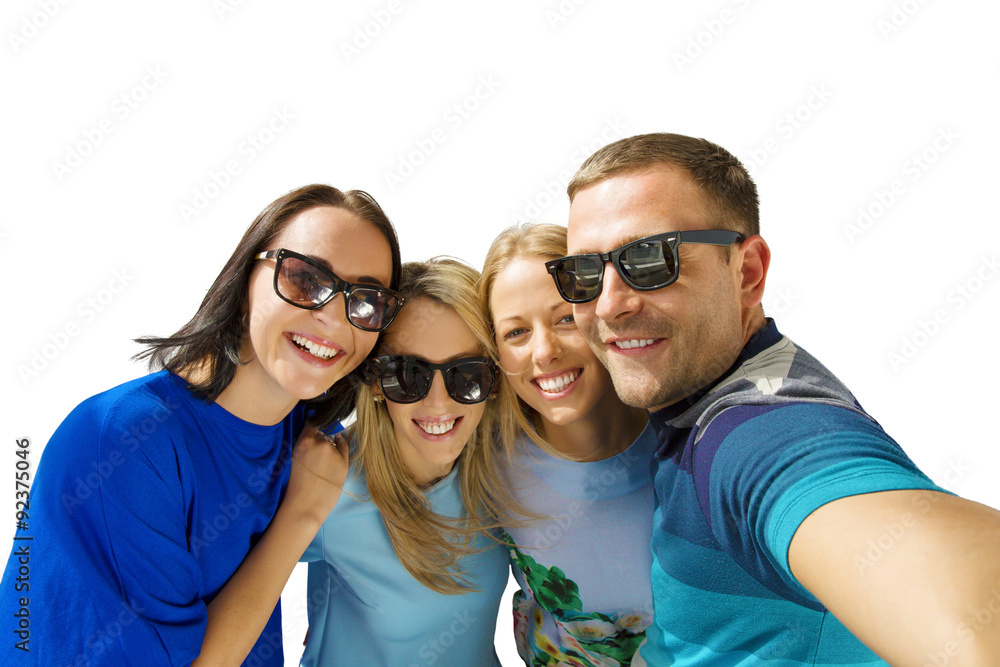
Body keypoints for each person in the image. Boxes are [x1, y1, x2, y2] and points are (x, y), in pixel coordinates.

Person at [548, 132, 1000, 665]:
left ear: (748, 272)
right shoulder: (688, 401)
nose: (607, 306)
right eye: (582, 273)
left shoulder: (756, 431)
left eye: (649, 260)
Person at [0, 184, 403, 666]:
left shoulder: (310, 443)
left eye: (366, 301)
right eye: (305, 278)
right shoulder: (124, 442)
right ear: (247, 274)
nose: (335, 318)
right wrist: (301, 515)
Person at [300, 257, 510, 667]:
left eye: (467, 375)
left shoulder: (505, 473)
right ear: (375, 381)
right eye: (408, 374)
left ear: (494, 381)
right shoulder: (328, 479)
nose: (438, 402)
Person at [480, 222, 657, 667]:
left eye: (564, 318)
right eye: (516, 333)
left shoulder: (692, 442)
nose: (544, 352)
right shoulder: (485, 465)